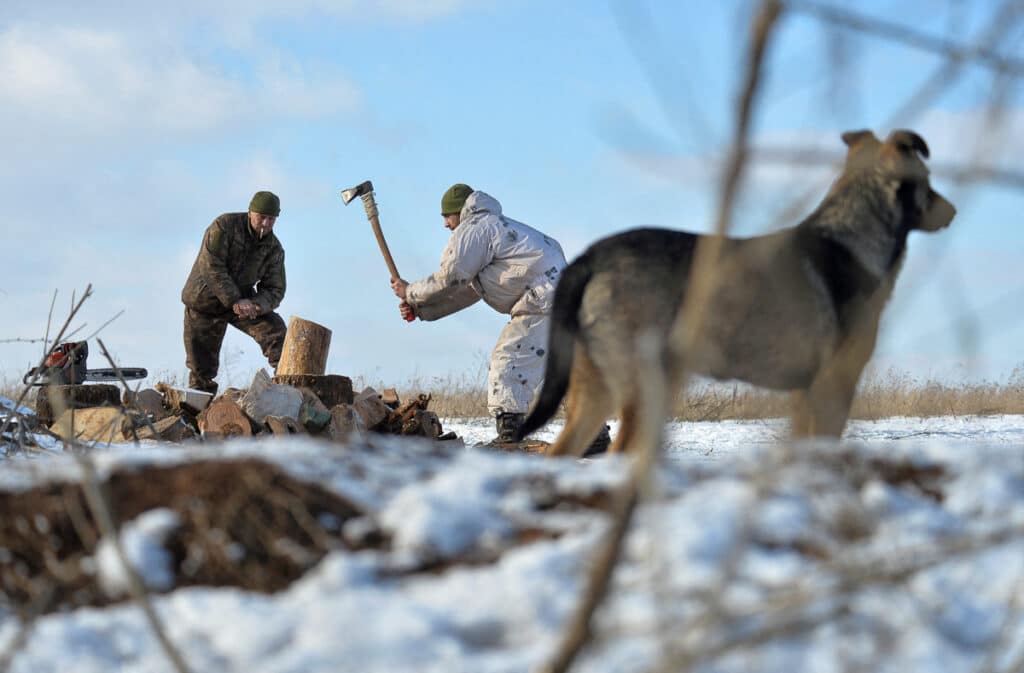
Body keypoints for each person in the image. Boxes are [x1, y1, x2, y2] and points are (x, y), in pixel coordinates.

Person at [391, 183, 607, 448]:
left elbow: (451, 277)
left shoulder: (475, 228)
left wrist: (410, 291)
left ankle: (510, 438)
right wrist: (422, 309)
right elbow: (468, 291)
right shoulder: (495, 228)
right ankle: (595, 437)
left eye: (447, 216)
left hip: (543, 302)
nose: (446, 224)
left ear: (460, 212)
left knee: (509, 363)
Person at [181, 190, 287, 395]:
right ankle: (194, 419)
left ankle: (287, 389)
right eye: (261, 217)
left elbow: (275, 289)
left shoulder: (274, 249)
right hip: (205, 301)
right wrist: (235, 299)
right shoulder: (224, 226)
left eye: (271, 219)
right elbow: (211, 266)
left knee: (277, 332)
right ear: (250, 212)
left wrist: (257, 305)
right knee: (201, 371)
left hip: (244, 304)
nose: (265, 223)